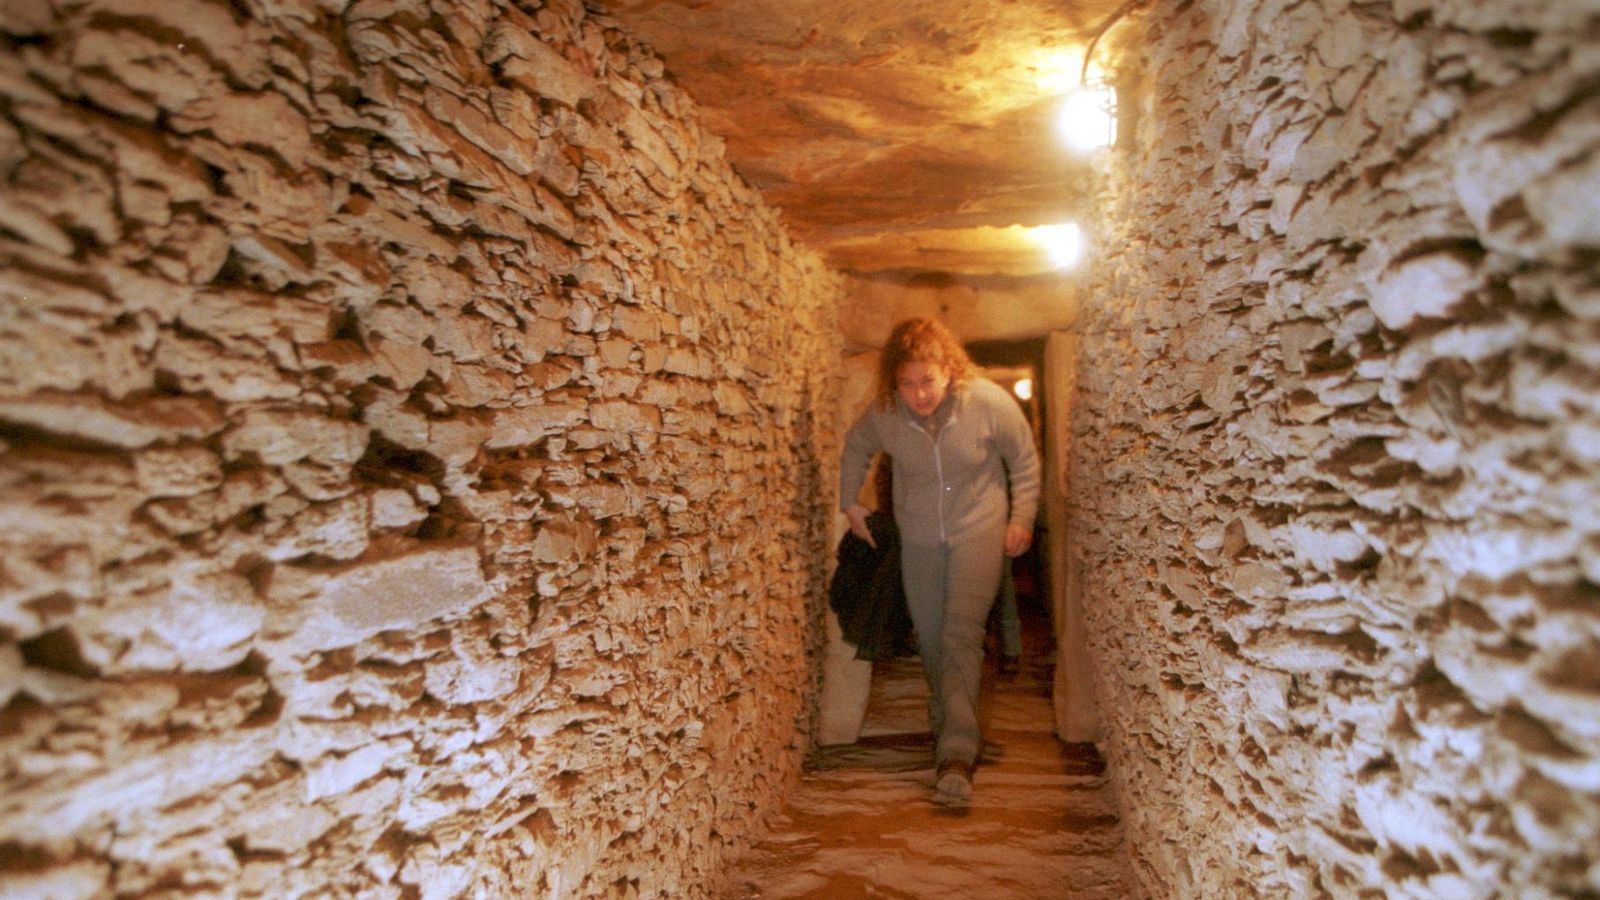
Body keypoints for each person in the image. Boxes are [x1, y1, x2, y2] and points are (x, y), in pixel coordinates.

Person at [839, 318, 1041, 805]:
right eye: (907, 383)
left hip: (979, 530)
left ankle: (956, 751)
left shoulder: (989, 403)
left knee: (960, 634)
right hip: (921, 539)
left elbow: (1025, 461)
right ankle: (949, 718)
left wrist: (1021, 518)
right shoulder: (886, 413)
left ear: (948, 370)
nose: (918, 394)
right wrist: (850, 501)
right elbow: (856, 446)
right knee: (930, 637)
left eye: (926, 380)